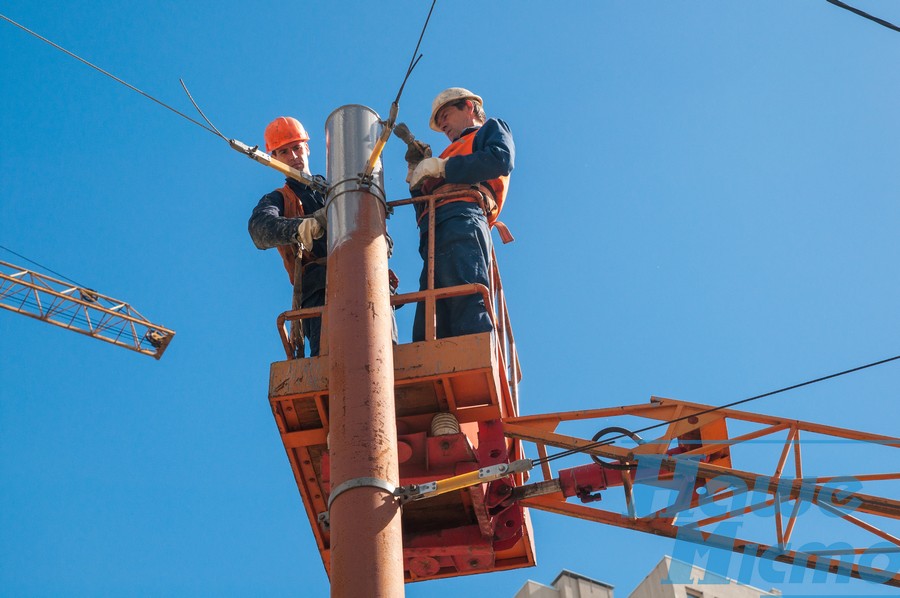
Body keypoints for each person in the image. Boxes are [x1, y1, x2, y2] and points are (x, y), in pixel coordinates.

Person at [407, 88, 514, 342]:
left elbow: (500, 159)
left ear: (469, 107)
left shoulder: (489, 130)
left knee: (466, 300)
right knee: (429, 319)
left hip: (464, 218)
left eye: (445, 115)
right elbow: (422, 206)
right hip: (434, 230)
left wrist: (444, 168)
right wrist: (415, 175)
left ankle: (477, 350)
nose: (442, 124)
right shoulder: (445, 156)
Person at [248, 116, 328, 357]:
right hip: (319, 289)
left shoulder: (340, 188)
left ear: (307, 148)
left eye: (296, 148)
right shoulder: (279, 198)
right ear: (274, 159)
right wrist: (301, 228)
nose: (293, 157)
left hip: (367, 279)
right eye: (284, 152)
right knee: (328, 358)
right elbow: (259, 229)